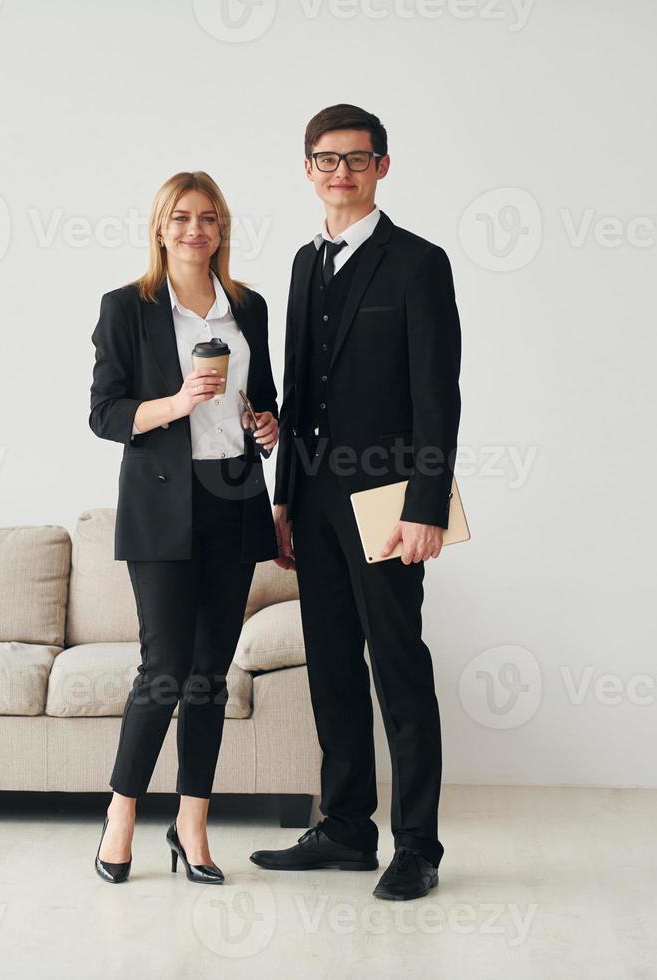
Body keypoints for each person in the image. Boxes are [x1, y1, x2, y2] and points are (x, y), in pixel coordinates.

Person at [248, 105, 462, 901]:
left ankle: (418, 847)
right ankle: (344, 827)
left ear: (383, 167)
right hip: (311, 498)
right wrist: (282, 501)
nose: (341, 172)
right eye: (327, 160)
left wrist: (428, 506)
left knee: (398, 666)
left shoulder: (418, 264)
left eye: (357, 159)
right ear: (308, 169)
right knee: (331, 668)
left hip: (389, 502)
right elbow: (299, 388)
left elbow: (438, 395)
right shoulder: (305, 265)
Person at [88, 171, 281, 885]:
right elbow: (105, 413)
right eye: (181, 218)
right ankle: (121, 815)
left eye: (208, 218)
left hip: (232, 500)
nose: (195, 229)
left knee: (209, 677)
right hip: (162, 507)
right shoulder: (127, 308)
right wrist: (174, 402)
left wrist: (267, 422)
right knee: (164, 672)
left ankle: (192, 826)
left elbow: (264, 396)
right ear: (161, 229)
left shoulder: (248, 307)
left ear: (221, 230)